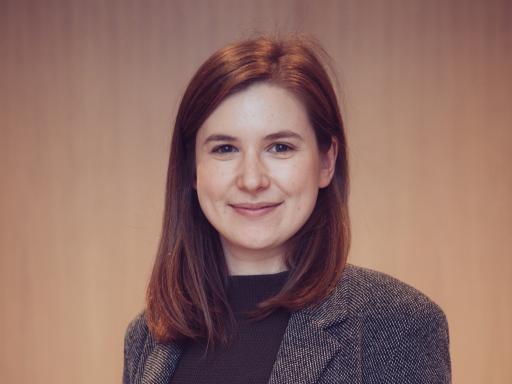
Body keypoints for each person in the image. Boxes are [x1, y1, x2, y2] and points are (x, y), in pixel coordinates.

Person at [122, 34, 451, 384]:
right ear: (192, 169)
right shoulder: (146, 337)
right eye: (224, 149)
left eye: (279, 147)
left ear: (326, 161)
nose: (251, 179)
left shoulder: (399, 323)